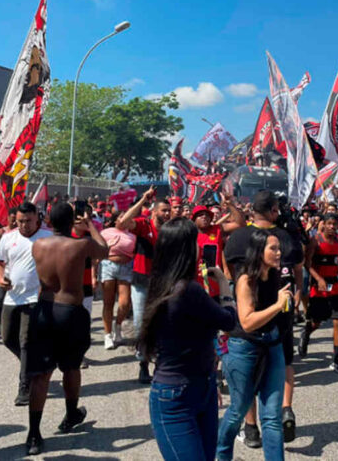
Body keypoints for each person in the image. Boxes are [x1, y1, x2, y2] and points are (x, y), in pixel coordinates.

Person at [138, 218, 237, 461]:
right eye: (194, 242)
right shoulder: (186, 290)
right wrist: (224, 285)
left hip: (198, 386)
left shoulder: (163, 284)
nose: (200, 247)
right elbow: (229, 321)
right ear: (185, 249)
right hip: (177, 395)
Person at [25, 203, 108, 455]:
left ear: (48, 220)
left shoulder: (38, 245)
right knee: (71, 367)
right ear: (73, 221)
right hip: (70, 310)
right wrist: (91, 224)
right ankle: (71, 413)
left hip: (45, 309)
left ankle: (33, 435)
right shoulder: (80, 245)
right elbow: (104, 250)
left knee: (41, 375)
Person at [223, 191, 303, 446]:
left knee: (249, 376)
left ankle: (250, 428)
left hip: (248, 311)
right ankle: (285, 408)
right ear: (273, 210)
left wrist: (234, 289)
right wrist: (298, 293)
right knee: (284, 361)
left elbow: (227, 267)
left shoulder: (236, 237)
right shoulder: (285, 236)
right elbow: (299, 267)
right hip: (282, 307)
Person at [217, 229, 291, 461]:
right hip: (244, 349)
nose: (279, 253)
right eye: (274, 249)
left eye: (279, 248)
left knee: (271, 417)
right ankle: (221, 454)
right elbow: (247, 322)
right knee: (238, 411)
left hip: (273, 345)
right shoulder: (246, 280)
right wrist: (278, 306)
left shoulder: (274, 275)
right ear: (259, 252)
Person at [0, 202, 52, 405]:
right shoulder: (8, 238)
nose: (24, 225)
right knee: (8, 338)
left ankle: (24, 387)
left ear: (37, 218)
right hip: (12, 297)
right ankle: (31, 365)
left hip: (35, 298)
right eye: (20, 221)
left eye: (28, 221)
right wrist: (0, 279)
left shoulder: (47, 237)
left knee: (26, 341)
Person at [118, 186, 171, 383]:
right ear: (154, 211)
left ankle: (159, 363)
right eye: (163, 210)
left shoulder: (170, 230)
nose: (166, 214)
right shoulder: (143, 225)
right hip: (140, 282)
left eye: (168, 210)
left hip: (162, 284)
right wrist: (142, 200)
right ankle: (143, 364)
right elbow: (123, 223)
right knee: (141, 323)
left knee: (161, 323)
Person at [301, 213, 338, 374]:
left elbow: (336, 262)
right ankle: (306, 333)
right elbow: (307, 264)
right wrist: (319, 279)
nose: (332, 227)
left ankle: (336, 358)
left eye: (335, 224)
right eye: (329, 224)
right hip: (320, 288)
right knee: (316, 322)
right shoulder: (316, 241)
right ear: (323, 224)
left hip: (335, 286)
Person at [98, 213, 136, 349]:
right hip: (108, 265)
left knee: (125, 303)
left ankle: (118, 327)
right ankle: (108, 335)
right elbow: (98, 250)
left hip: (126, 268)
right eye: (121, 217)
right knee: (108, 303)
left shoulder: (133, 235)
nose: (125, 219)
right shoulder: (105, 232)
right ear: (115, 221)